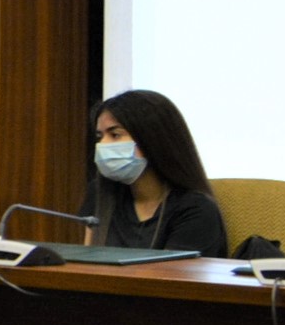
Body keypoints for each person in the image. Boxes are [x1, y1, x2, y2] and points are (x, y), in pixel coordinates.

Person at [80, 89, 227, 258]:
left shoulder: (196, 209)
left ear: (152, 139)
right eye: (100, 136)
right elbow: (89, 264)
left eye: (115, 135)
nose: (102, 145)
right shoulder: (101, 193)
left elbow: (171, 280)